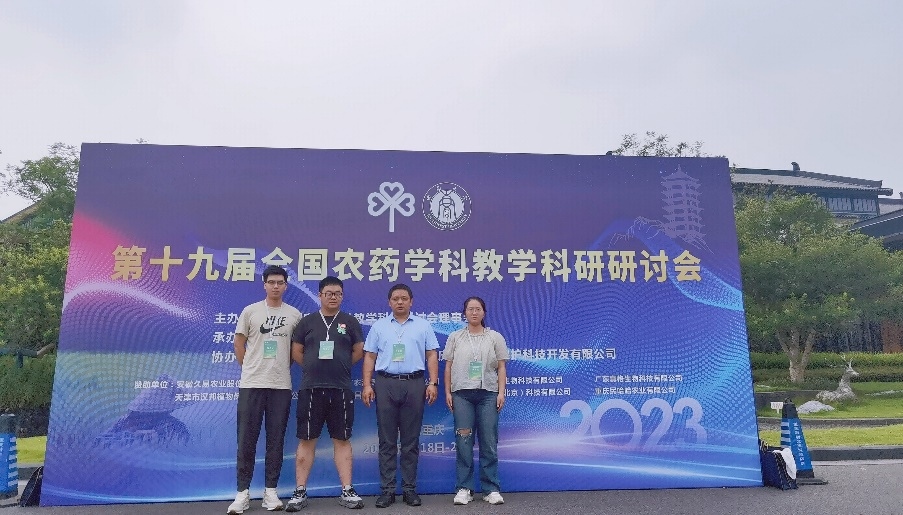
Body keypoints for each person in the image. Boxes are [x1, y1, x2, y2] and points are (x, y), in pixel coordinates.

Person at [285, 277, 365, 511]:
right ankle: (300, 491)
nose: (333, 297)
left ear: (342, 296)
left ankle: (347, 490)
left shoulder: (349, 321)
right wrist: (313, 367)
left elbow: (358, 350)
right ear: (320, 295)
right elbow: (297, 351)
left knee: (342, 439)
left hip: (341, 388)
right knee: (307, 439)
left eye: (337, 293)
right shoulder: (307, 321)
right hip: (311, 388)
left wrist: (340, 366)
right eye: (328, 293)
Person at [228, 265, 302, 515]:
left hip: (280, 386)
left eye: (280, 282)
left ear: (286, 286)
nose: (275, 286)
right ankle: (242, 493)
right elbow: (239, 344)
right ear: (264, 285)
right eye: (271, 282)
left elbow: (294, 350)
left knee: (276, 440)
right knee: (246, 440)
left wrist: (279, 367)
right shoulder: (250, 311)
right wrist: (251, 367)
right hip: (251, 384)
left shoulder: (294, 315)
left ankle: (271, 491)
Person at [362, 284, 440, 508]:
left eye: (404, 298)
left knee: (410, 441)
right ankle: (387, 491)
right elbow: (369, 357)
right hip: (385, 383)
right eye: (395, 298)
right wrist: (367, 385)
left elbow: (431, 355)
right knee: (386, 441)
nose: (400, 302)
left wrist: (433, 383)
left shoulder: (423, 326)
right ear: (389, 302)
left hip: (414, 383)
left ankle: (409, 490)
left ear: (411, 301)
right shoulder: (379, 326)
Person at [443, 297, 509, 506]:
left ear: (483, 312)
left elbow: (501, 367)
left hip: (488, 394)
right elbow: (448, 367)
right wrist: (447, 392)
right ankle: (464, 488)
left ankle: (491, 489)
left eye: (477, 309)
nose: (474, 312)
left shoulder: (494, 337)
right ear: (464, 313)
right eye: (470, 309)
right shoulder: (455, 337)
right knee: (464, 441)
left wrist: (501, 392)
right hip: (461, 395)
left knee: (489, 441)